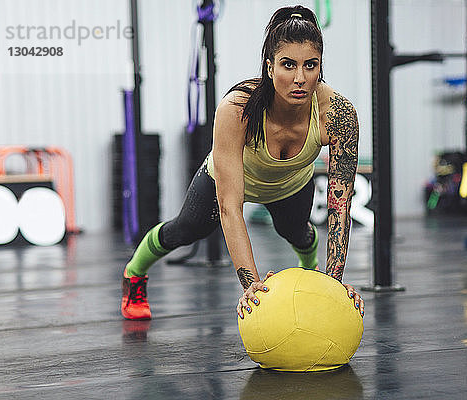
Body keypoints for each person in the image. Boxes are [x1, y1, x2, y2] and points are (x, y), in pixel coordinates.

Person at [121, 5, 364, 321]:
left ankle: (311, 270)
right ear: (269, 66)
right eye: (288, 65)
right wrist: (252, 286)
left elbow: (340, 207)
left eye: (310, 65)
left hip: (290, 184)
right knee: (185, 230)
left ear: (320, 67)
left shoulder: (338, 114)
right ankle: (134, 274)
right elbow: (231, 207)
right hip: (228, 181)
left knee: (297, 232)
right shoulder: (237, 108)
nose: (300, 78)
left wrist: (332, 286)